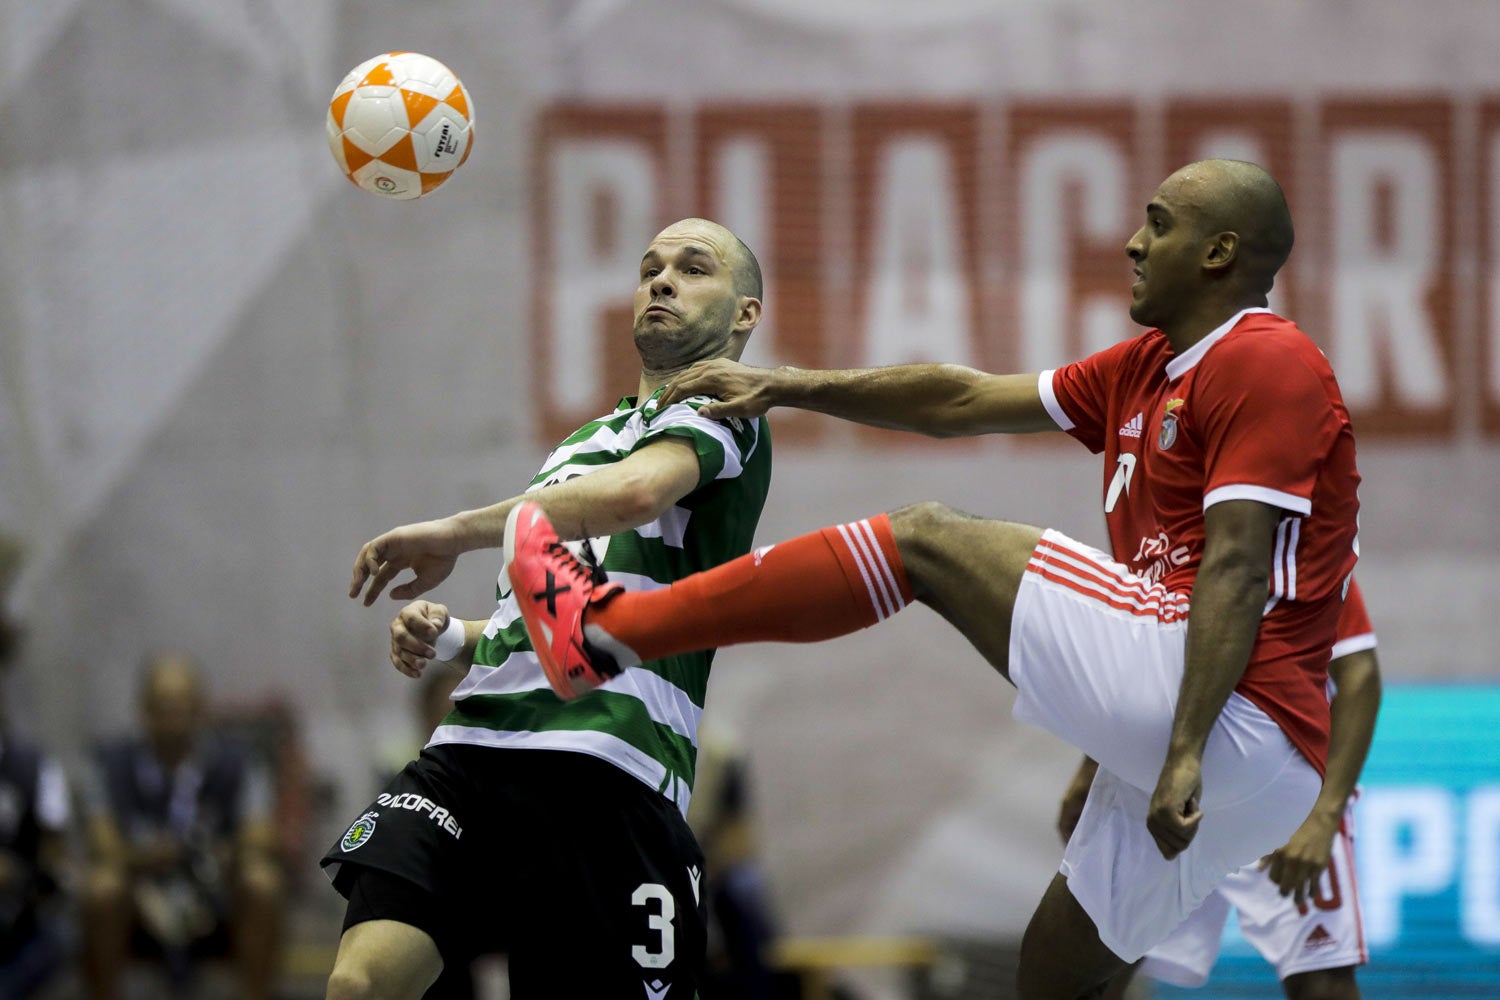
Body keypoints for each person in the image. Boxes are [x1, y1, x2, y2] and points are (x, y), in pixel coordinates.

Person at [507, 160, 1361, 998]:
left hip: (1234, 711)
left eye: (1160, 223)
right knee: (1055, 977)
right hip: (1227, 741)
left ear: (1219, 254)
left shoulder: (1264, 358)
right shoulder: (1141, 368)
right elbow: (957, 401)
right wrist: (784, 385)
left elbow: (1242, 571)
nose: (1134, 242)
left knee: (925, 540)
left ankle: (616, 629)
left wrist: (1179, 751)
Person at [322, 217, 770, 1000]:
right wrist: (457, 634)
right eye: (649, 267)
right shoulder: (578, 446)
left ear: (744, 314)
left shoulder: (728, 410)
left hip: (606, 769)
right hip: (473, 749)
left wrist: (457, 532)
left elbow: (632, 497)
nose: (661, 280)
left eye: (692, 268)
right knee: (361, 983)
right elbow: (545, 612)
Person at [1056, 580, 1380, 999]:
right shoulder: (1159, 535)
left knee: (1322, 981)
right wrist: (1093, 766)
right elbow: (1137, 660)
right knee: (1098, 965)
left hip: (1275, 778)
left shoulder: (1294, 536)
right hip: (1167, 779)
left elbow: (1360, 674)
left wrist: (1321, 815)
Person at [80, 652, 283, 1000]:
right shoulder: (111, 761)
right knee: (101, 887)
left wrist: (222, 853)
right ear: (143, 709)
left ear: (201, 708)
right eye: (163, 706)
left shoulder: (237, 760)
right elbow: (101, 841)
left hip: (214, 892)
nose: (174, 718)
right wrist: (148, 857)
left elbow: (262, 834)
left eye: (183, 705)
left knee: (262, 881)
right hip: (141, 895)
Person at [0, 536, 72, 999]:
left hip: (16, 916)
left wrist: (23, 874)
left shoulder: (33, 766)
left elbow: (54, 860)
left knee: (56, 938)